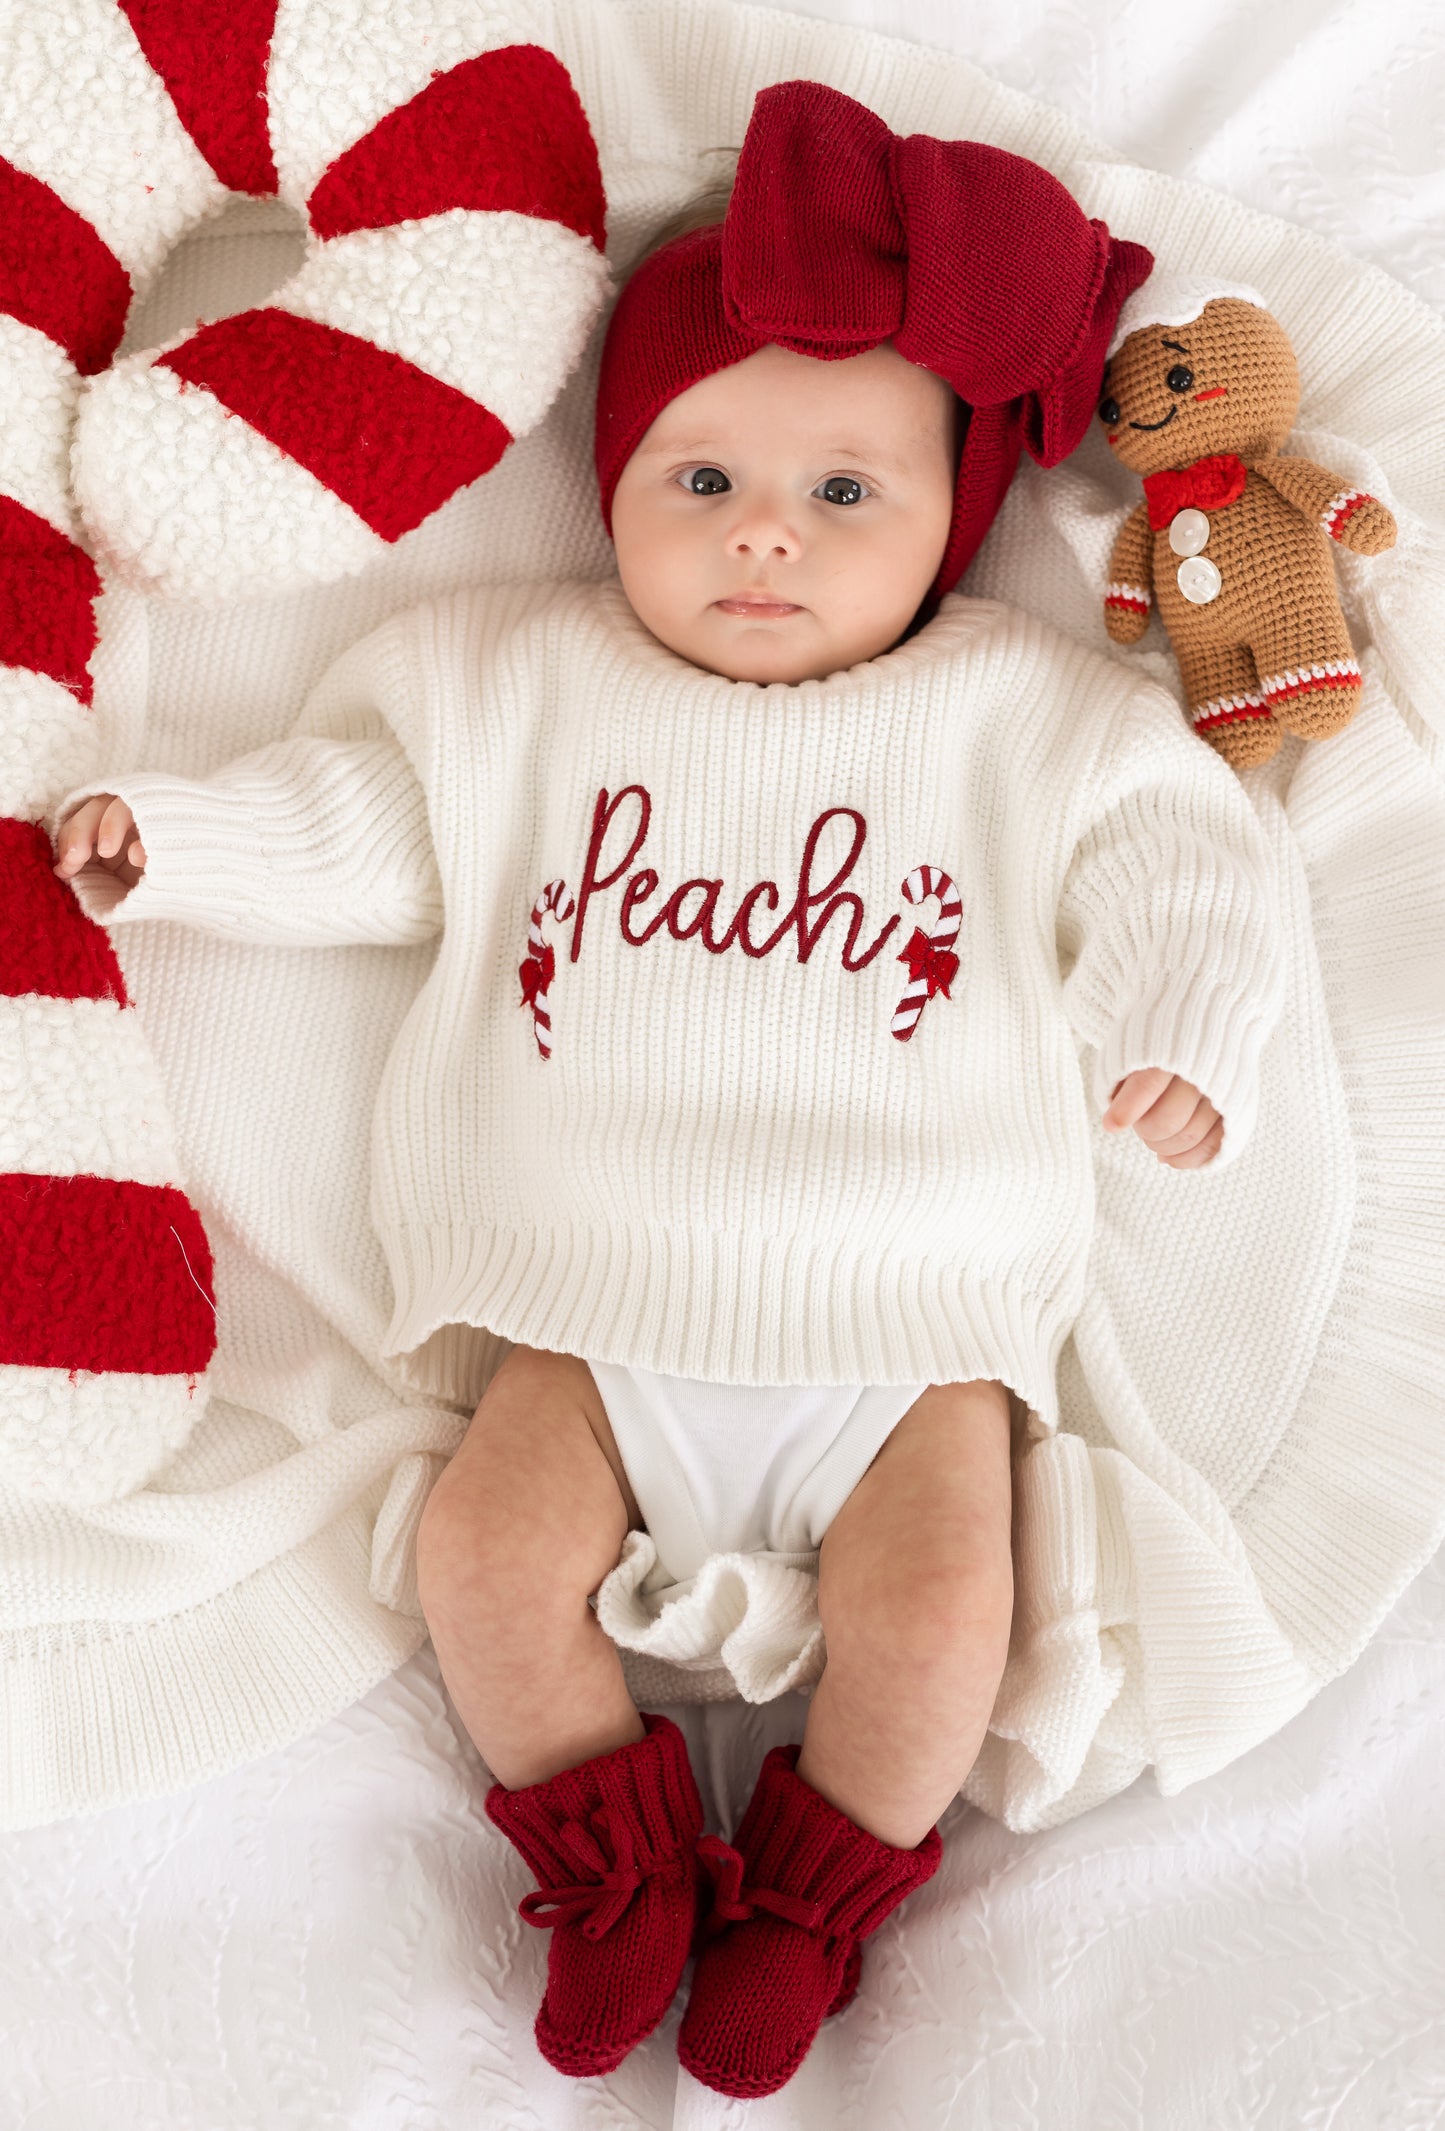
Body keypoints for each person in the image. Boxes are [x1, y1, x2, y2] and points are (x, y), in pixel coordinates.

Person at [51, 81, 1284, 2104]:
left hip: (907, 1332)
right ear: (611, 484)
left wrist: (1173, 1026)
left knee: (942, 1614)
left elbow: (1179, 861)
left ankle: (810, 1903)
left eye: (845, 493)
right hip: (586, 1318)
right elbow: (372, 824)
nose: (764, 532)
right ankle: (607, 1858)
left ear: (955, 527)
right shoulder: (521, 686)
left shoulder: (1016, 716)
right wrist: (179, 843)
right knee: (484, 1556)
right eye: (701, 476)